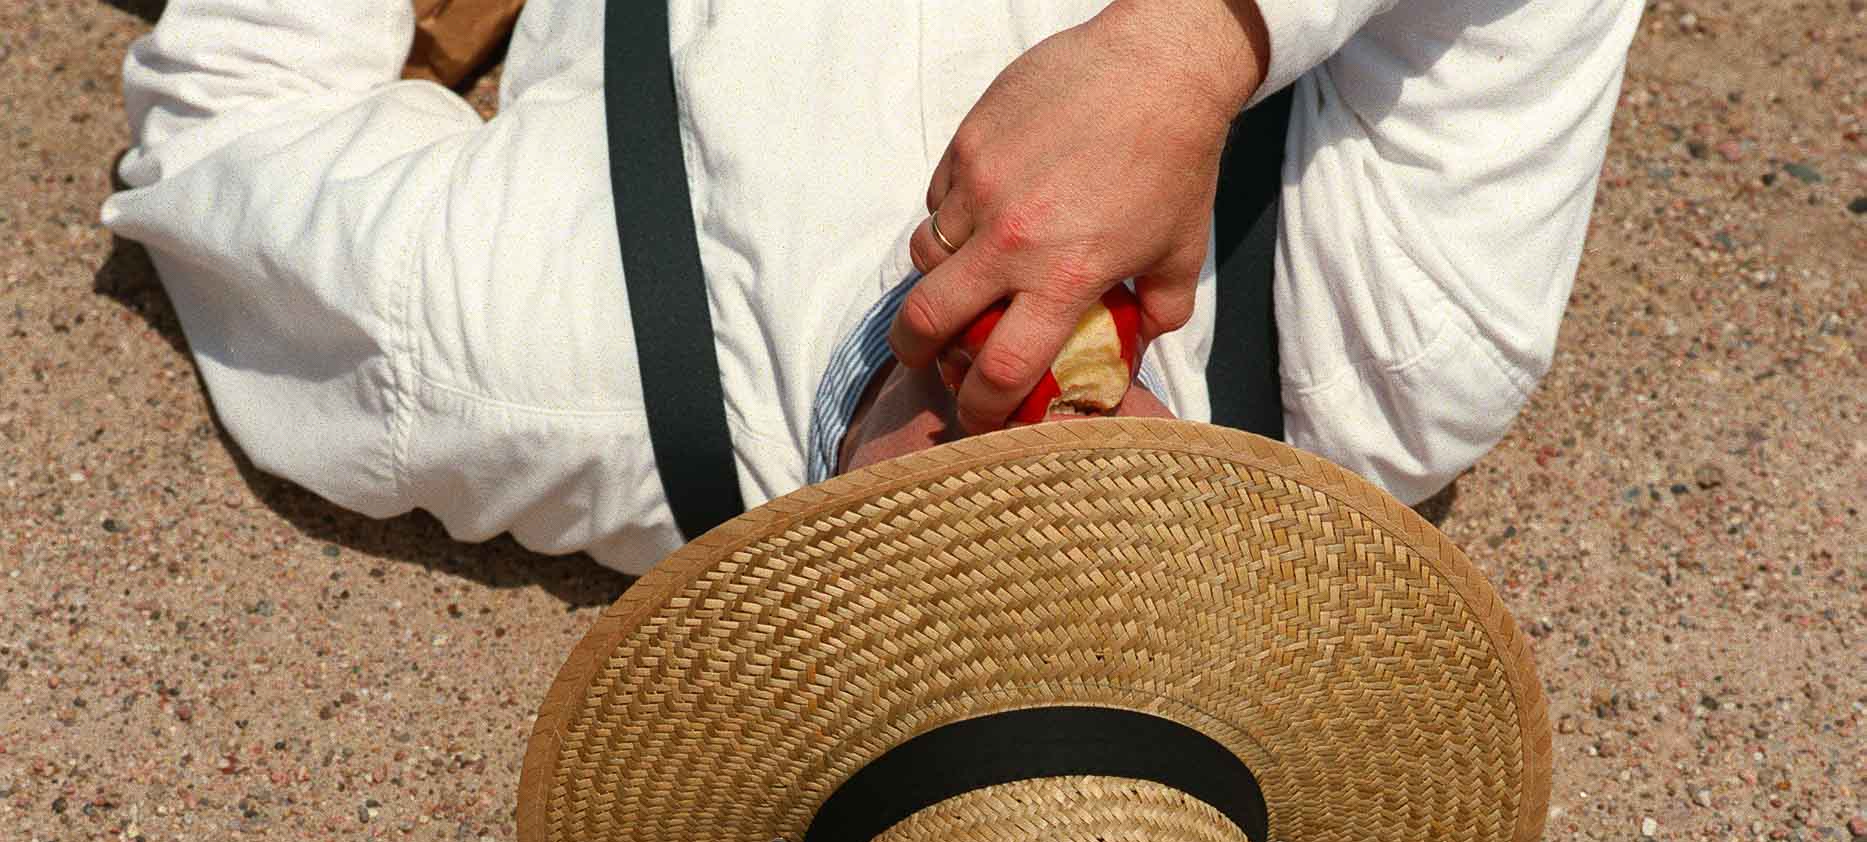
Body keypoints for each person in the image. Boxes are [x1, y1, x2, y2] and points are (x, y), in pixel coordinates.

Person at [102, 0, 1640, 576]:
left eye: (970, 593)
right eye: (1134, 582)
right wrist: (1198, 44)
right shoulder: (1390, 352)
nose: (1044, 482)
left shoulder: (525, 368)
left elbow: (234, 114)